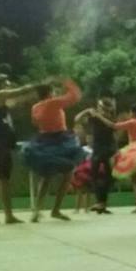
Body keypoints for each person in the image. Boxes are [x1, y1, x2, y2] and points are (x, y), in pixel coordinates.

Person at [22, 78, 85, 222]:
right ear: (50, 93)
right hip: (60, 140)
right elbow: (75, 96)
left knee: (46, 176)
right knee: (68, 172)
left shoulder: (35, 107)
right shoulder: (53, 103)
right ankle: (55, 210)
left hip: (43, 141)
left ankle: (37, 211)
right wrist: (66, 81)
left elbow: (35, 123)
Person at [0, 75, 40, 225]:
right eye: (6, 84)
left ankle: (9, 215)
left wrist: (35, 94)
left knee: (5, 180)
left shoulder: (5, 103)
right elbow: (19, 92)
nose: (9, 86)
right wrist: (33, 85)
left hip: (4, 144)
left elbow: (19, 99)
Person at [74, 95, 117, 214]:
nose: (99, 109)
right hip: (97, 149)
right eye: (99, 106)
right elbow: (77, 119)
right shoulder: (94, 118)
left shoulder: (111, 118)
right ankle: (100, 203)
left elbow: (112, 126)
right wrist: (86, 111)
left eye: (101, 107)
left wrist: (99, 115)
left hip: (109, 149)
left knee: (109, 177)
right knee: (94, 176)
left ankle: (102, 203)